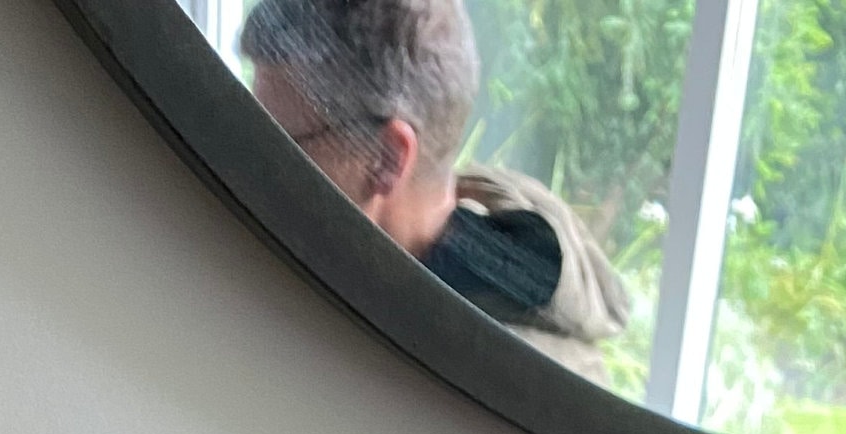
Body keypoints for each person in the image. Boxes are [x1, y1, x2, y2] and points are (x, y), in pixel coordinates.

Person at [240, 0, 630, 379]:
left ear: (385, 159)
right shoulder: (383, 289)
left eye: (281, 142)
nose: (256, 169)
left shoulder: (480, 395)